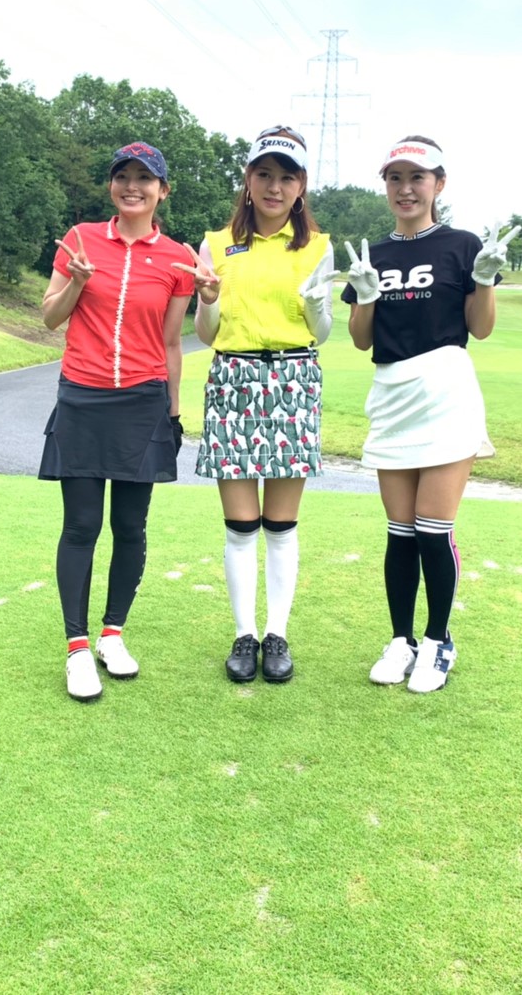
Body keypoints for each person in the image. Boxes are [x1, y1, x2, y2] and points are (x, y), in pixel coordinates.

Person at [340, 136, 517, 694]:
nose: (405, 189)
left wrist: (482, 280)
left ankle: (439, 641)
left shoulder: (462, 246)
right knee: (400, 533)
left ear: (439, 184)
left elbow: (480, 328)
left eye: (417, 178)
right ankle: (401, 640)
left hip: (445, 391)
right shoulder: (374, 255)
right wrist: (365, 294)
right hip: (392, 393)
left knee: (433, 530)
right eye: (395, 178)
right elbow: (362, 340)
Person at [175, 126, 335, 685]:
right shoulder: (217, 244)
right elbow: (206, 332)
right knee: (241, 526)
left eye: (286, 177)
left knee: (281, 525)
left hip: (294, 377)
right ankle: (245, 634)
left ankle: (277, 634)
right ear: (247, 179)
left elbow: (323, 332)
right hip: (234, 377)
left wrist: (315, 306)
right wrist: (208, 299)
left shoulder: (317, 246)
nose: (274, 187)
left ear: (301, 186)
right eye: (264, 174)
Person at [39, 142, 194, 701]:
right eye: (122, 176)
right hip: (82, 396)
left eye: (144, 179)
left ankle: (112, 635)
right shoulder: (80, 240)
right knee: (81, 526)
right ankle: (77, 648)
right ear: (111, 185)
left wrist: (173, 413)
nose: (133, 187)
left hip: (142, 402)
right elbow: (50, 317)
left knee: (131, 527)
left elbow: (172, 342)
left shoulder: (177, 259)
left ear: (162, 191)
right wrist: (77, 281)